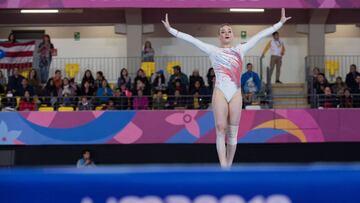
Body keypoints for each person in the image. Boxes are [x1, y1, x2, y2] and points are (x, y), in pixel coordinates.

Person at [162, 9, 291, 168]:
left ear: (233, 35)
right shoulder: (213, 51)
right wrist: (171, 30)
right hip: (220, 92)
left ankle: (229, 166)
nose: (226, 33)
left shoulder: (240, 49)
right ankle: (223, 166)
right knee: (220, 127)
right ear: (219, 36)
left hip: (236, 93)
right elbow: (192, 40)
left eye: (229, 31)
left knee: (232, 132)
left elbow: (260, 36)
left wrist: (280, 23)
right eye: (223, 31)